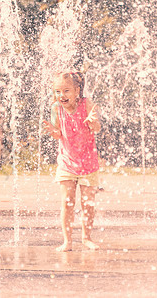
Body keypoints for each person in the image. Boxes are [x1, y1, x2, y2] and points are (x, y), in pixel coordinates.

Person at [43, 71, 101, 252]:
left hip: (88, 163)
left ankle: (86, 237)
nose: (62, 95)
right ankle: (67, 241)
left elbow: (97, 128)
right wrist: (54, 133)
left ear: (77, 91)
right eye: (58, 91)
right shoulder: (56, 108)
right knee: (67, 201)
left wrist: (93, 123)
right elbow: (58, 133)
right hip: (67, 162)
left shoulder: (87, 104)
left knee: (87, 203)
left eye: (66, 91)